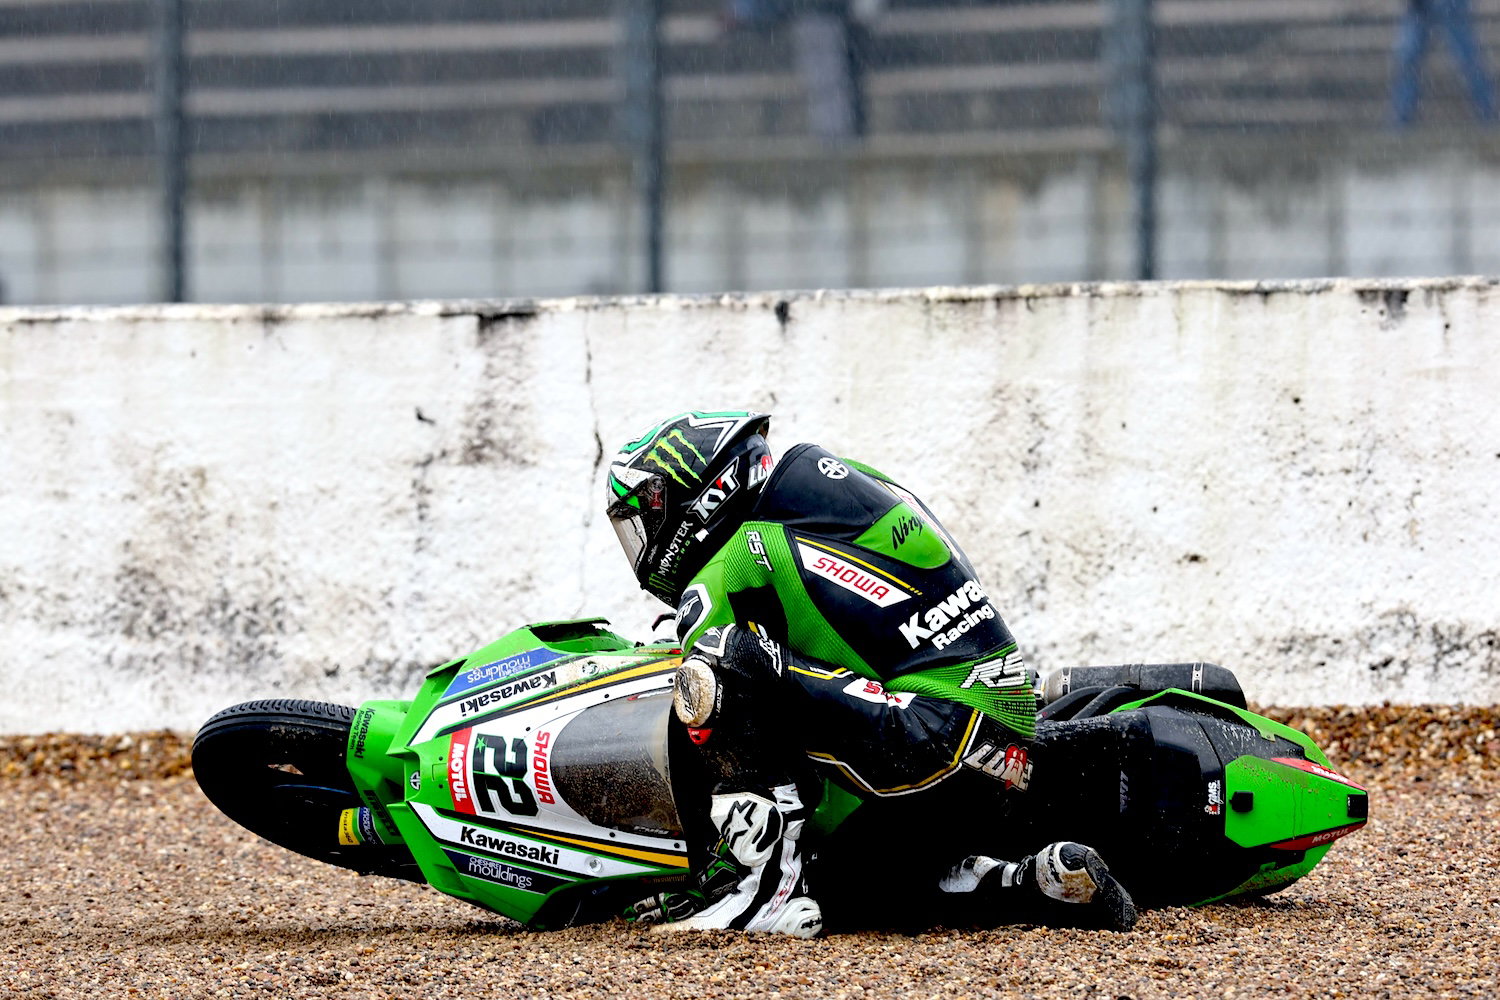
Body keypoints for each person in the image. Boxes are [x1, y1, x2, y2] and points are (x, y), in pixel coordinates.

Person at [603, 410, 1135, 936]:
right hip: (1003, 747)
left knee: (718, 668)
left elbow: (737, 676)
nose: (644, 547)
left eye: (646, 522)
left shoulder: (731, 563)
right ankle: (1029, 880)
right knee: (840, 883)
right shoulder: (843, 485)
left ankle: (760, 888)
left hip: (931, 740)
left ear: (697, 498)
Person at [1391, 0, 1497, 126]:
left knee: (1467, 59)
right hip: (1423, 5)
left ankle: (1490, 116)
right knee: (1409, 60)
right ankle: (1401, 121)